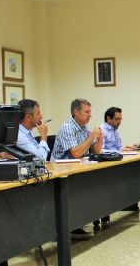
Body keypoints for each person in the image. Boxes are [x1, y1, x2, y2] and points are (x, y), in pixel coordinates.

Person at [51, 98, 103, 240]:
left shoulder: (83, 128)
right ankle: (71, 226)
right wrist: (91, 136)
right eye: (87, 112)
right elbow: (75, 153)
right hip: (60, 171)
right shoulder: (67, 127)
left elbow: (96, 151)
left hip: (76, 168)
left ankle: (78, 222)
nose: (90, 115)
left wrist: (99, 138)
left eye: (90, 112)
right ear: (76, 112)